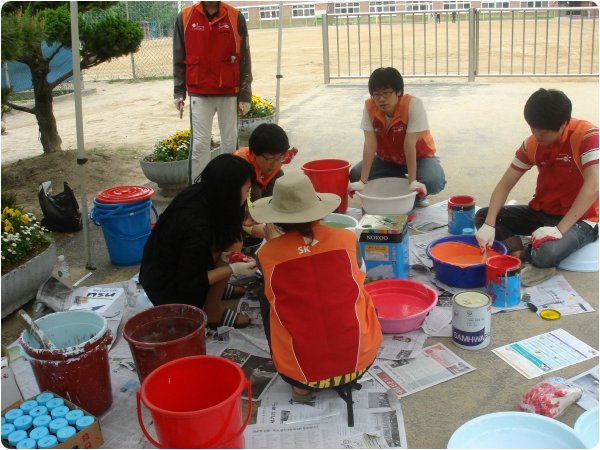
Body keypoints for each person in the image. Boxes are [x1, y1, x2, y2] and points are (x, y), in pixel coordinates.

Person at [249, 171, 382, 402]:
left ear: (276, 220)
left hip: (299, 373)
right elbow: (359, 276)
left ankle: (302, 389)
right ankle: (347, 372)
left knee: (267, 296)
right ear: (318, 212)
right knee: (358, 290)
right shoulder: (347, 239)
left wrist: (274, 241)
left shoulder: (267, 254)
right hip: (361, 361)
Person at [475, 88, 598, 272]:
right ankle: (519, 251)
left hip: (582, 219)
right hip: (543, 213)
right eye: (533, 128)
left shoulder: (587, 137)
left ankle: (529, 253)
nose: (537, 135)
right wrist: (489, 224)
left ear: (564, 124)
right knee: (483, 216)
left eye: (543, 131)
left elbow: (594, 186)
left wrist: (560, 230)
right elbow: (504, 185)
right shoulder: (532, 144)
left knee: (547, 253)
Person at [139, 154, 258, 328]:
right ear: (230, 191)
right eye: (246, 190)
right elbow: (187, 283)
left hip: (170, 271)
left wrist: (226, 258)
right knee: (233, 240)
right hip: (168, 291)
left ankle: (215, 290)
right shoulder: (196, 225)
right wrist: (231, 268)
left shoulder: (202, 193)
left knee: (233, 239)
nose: (247, 195)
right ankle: (212, 311)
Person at [173, 1, 253, 182]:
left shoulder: (235, 16)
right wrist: (179, 91)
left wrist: (245, 93)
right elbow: (178, 55)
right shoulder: (185, 17)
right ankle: (198, 189)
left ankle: (232, 186)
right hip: (199, 92)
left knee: (230, 144)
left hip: (229, 92)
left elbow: (245, 58)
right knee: (200, 145)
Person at [349, 67, 446, 207]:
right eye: (376, 94)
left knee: (433, 180)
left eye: (386, 93)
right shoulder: (370, 106)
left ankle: (416, 194)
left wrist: (413, 181)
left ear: (399, 91)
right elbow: (370, 144)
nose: (381, 99)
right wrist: (362, 182)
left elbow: (409, 145)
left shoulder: (413, 105)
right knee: (356, 174)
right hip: (388, 159)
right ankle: (400, 186)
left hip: (420, 157)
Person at [234, 123, 297, 238]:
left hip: (259, 191)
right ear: (253, 154)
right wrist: (271, 235)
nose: (274, 163)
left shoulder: (278, 158)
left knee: (280, 176)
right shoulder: (239, 168)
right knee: (255, 190)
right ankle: (258, 222)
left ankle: (269, 218)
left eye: (279, 158)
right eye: (269, 158)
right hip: (234, 211)